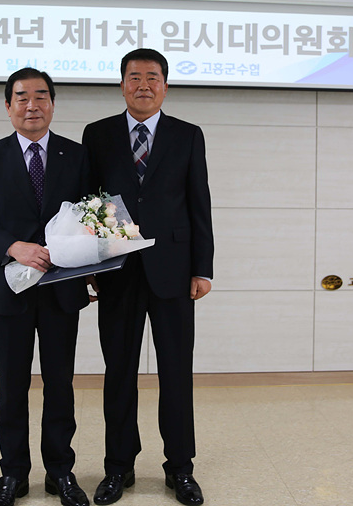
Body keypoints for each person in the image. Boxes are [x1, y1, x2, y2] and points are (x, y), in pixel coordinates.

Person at [81, 49, 214, 506]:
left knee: (177, 373)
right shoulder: (97, 134)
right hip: (117, 271)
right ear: (122, 85)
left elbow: (199, 203)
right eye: (134, 77)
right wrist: (89, 267)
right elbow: (87, 205)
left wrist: (202, 268)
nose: (143, 85)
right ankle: (118, 467)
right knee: (119, 373)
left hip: (174, 271)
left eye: (152, 77)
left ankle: (180, 468)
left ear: (165, 85)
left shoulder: (187, 135)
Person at [0, 68, 91, 506]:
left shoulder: (77, 155)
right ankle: (13, 474)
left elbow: (89, 215)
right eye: (22, 97)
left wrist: (84, 260)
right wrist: (12, 246)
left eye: (41, 96)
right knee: (11, 386)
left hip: (61, 289)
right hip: (10, 291)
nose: (32, 105)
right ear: (8, 106)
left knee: (60, 384)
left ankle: (60, 472)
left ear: (53, 104)